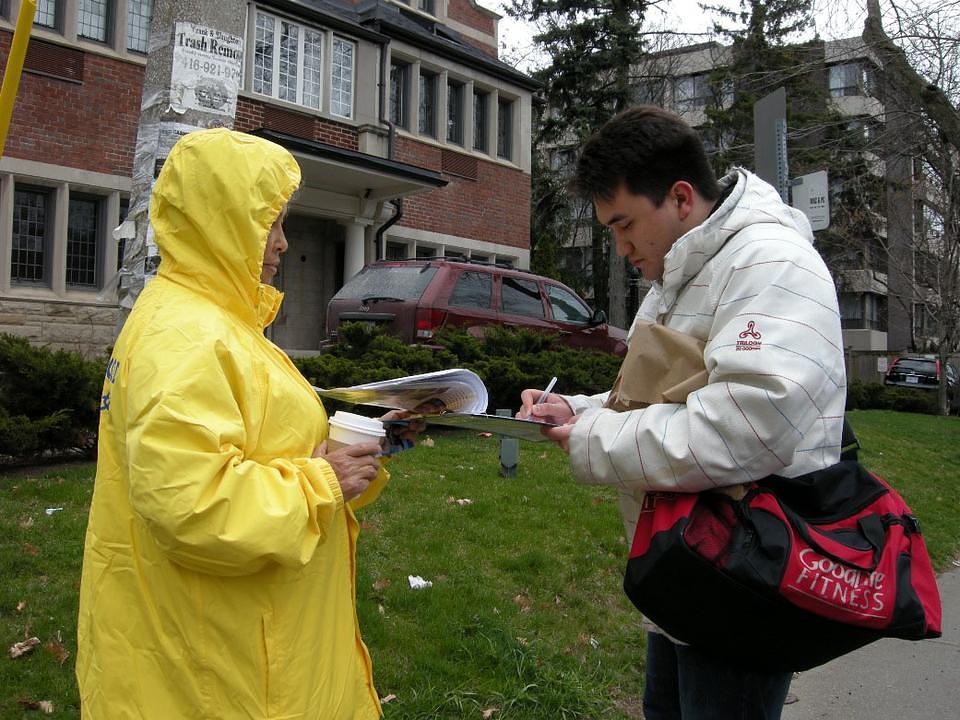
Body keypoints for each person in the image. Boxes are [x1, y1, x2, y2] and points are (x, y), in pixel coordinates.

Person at [518, 106, 846, 719]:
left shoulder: (772, 264)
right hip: (687, 568)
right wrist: (576, 409)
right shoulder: (680, 275)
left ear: (681, 198)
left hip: (744, 574)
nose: (620, 247)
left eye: (624, 225)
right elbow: (659, 399)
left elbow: (748, 428)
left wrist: (592, 435)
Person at [77, 128, 416, 719]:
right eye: (270, 223)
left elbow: (255, 442)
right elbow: (194, 506)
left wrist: (359, 445)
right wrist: (322, 484)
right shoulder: (186, 337)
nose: (283, 242)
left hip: (239, 635)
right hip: (221, 663)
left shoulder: (216, 323)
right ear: (220, 221)